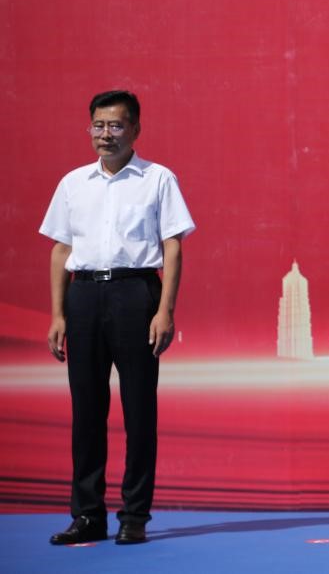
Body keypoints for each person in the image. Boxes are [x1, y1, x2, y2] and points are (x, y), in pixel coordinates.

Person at [41, 90, 195, 546]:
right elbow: (61, 249)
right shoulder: (73, 183)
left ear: (135, 130)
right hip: (84, 295)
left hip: (136, 293)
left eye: (116, 126)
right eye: (98, 125)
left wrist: (165, 310)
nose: (105, 134)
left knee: (139, 409)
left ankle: (134, 515)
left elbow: (172, 246)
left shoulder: (158, 178)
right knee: (86, 410)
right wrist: (58, 313)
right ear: (89, 128)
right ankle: (88, 515)